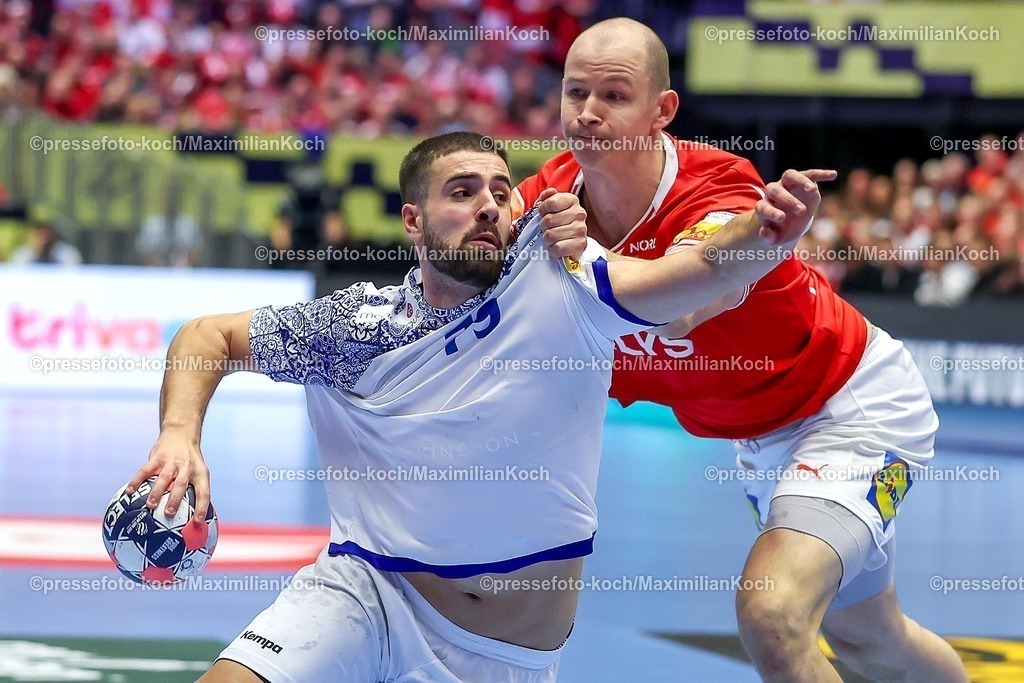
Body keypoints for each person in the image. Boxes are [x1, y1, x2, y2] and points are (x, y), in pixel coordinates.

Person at [124, 131, 828, 682]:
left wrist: (765, 229)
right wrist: (179, 435)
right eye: (461, 192)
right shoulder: (358, 327)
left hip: (504, 656)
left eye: (500, 190)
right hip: (363, 598)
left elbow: (681, 277)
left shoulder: (564, 277)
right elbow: (205, 335)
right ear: (413, 219)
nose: (489, 204)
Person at [513, 18, 968, 683]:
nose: (586, 112)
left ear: (661, 111)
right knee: (873, 637)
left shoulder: (719, 187)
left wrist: (754, 236)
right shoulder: (543, 202)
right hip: (761, 443)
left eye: (612, 95)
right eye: (574, 91)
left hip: (853, 408)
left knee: (772, 612)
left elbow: (691, 297)